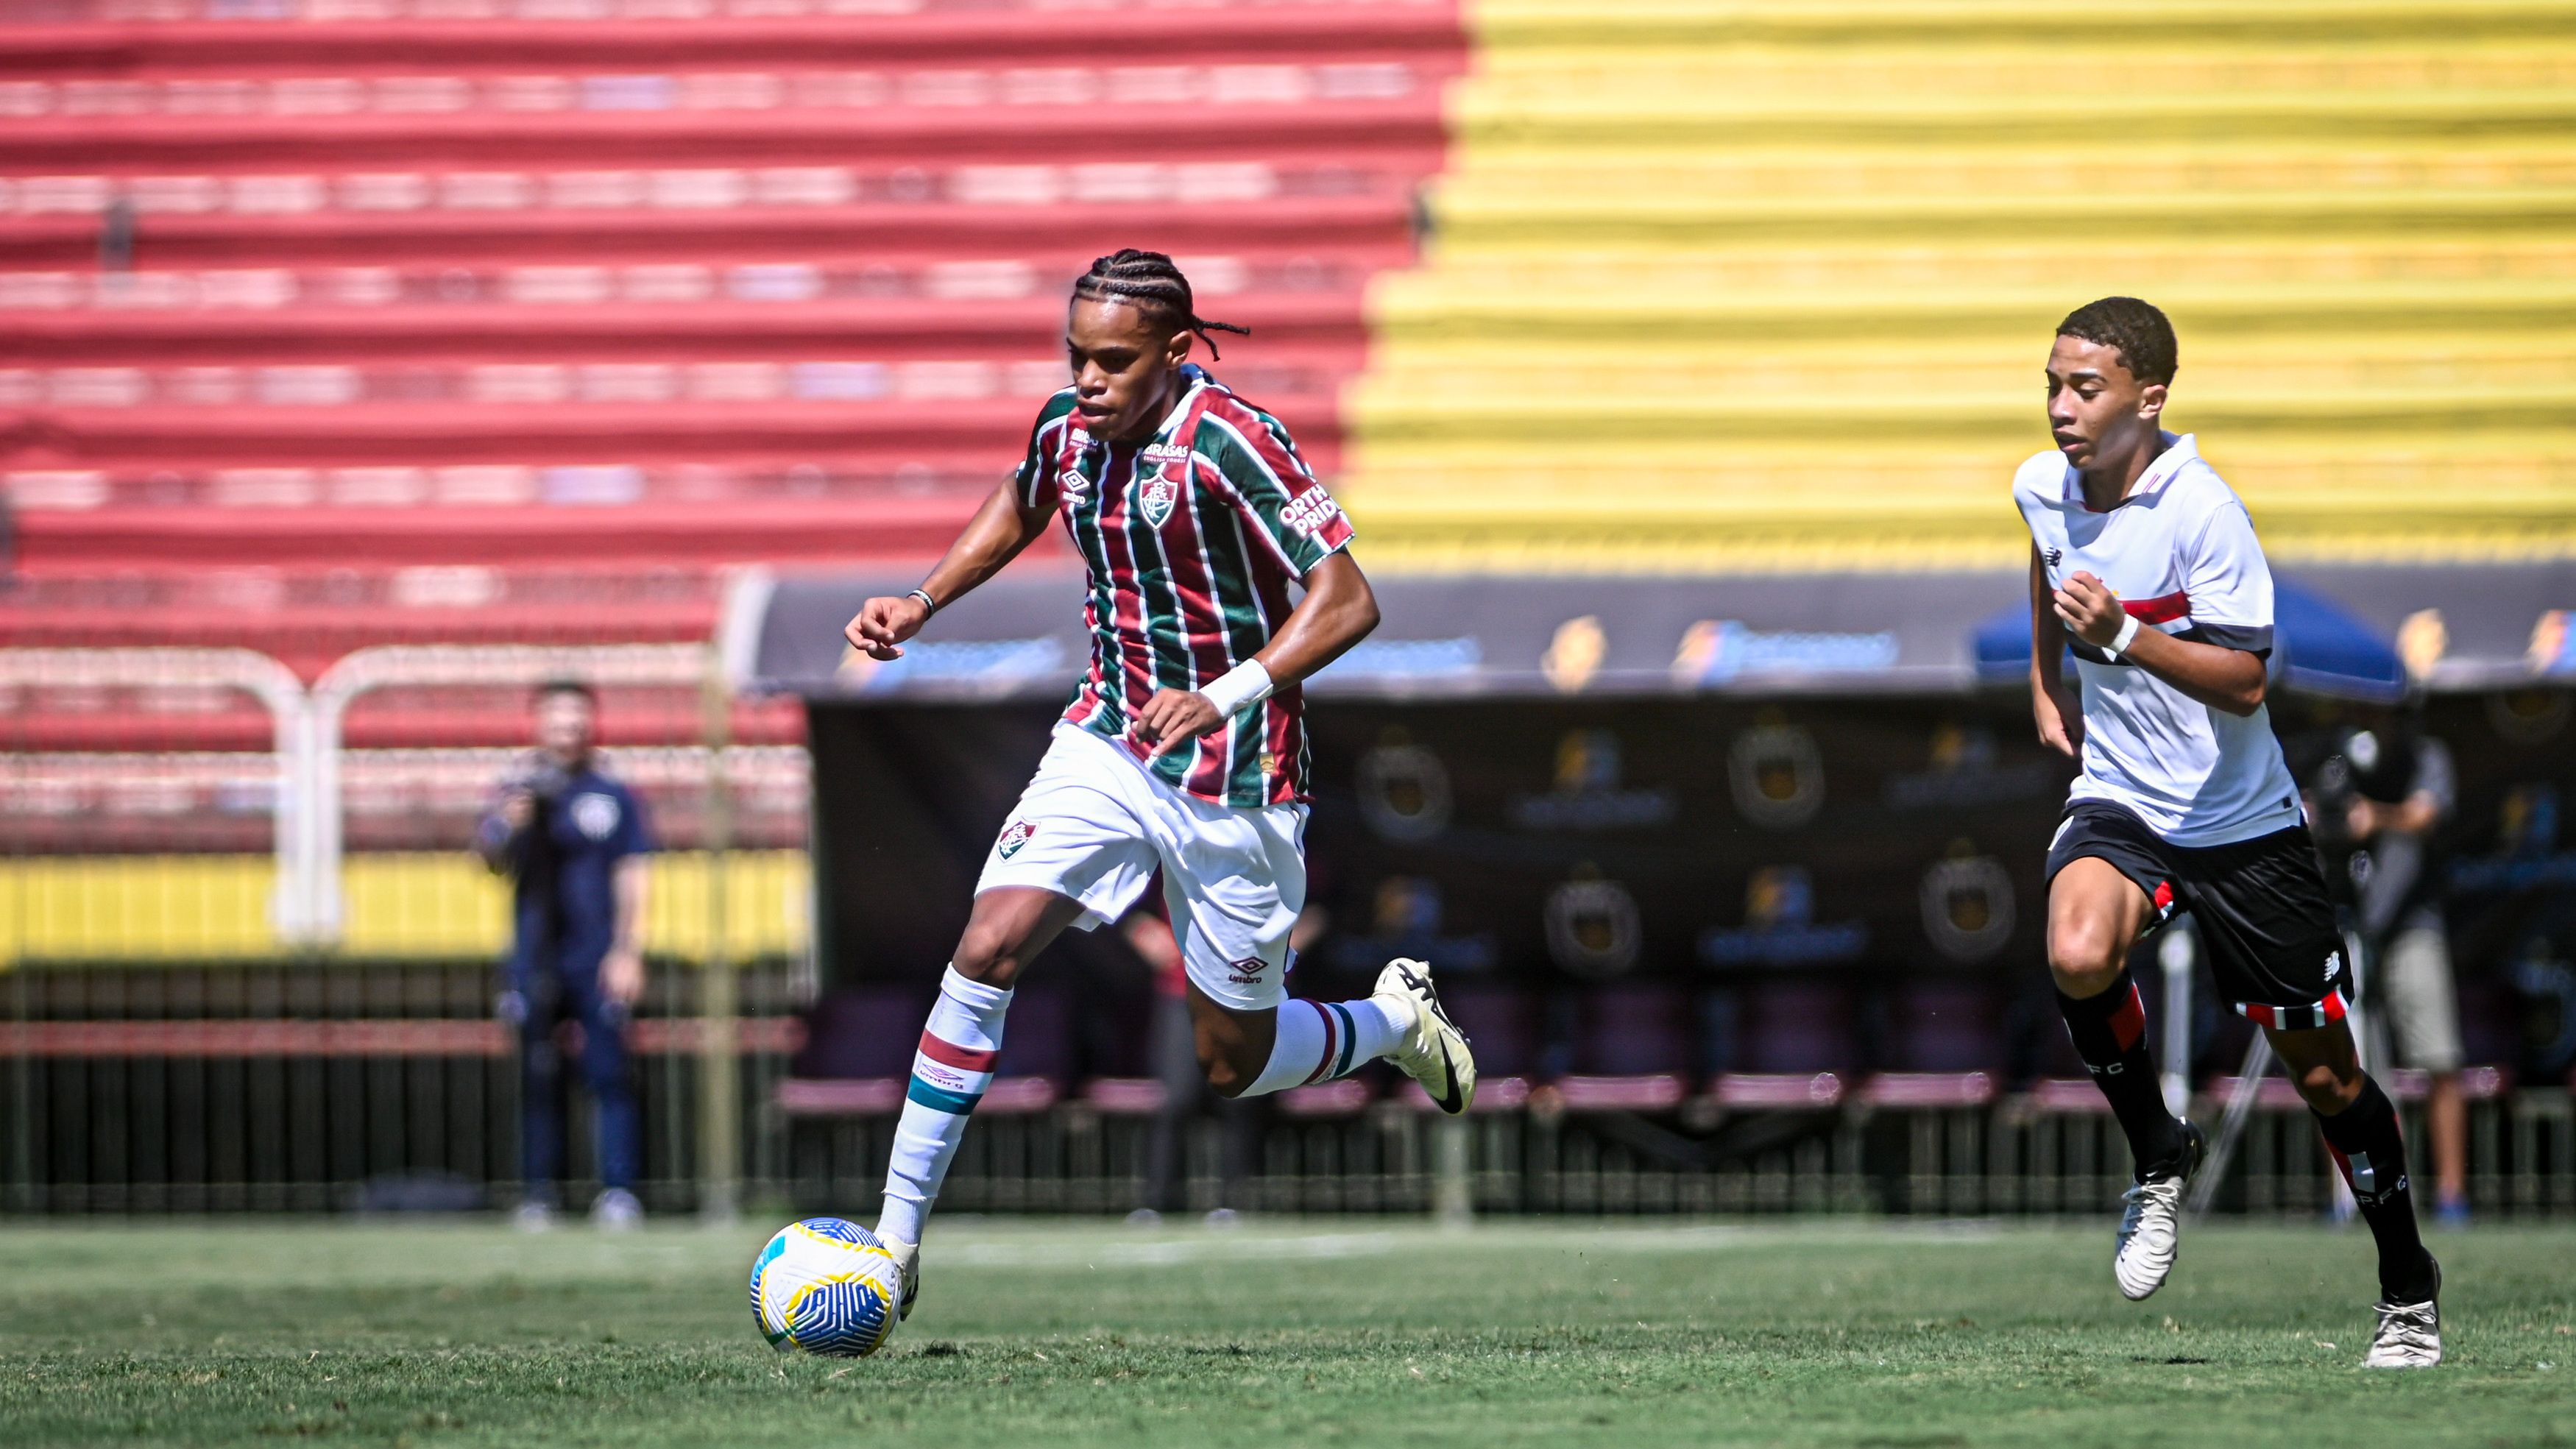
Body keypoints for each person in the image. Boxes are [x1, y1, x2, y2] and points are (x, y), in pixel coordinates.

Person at [842, 249, 1476, 1315]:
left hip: (1235, 772)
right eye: (1077, 357)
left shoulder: (1234, 439)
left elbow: (1350, 601)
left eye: (1114, 362)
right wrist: (924, 598)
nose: (1088, 381)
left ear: (1175, 352)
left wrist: (1221, 695)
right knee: (987, 945)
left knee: (1233, 1059)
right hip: (1108, 738)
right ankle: (892, 1245)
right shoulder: (1070, 428)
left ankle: (1392, 1022)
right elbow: (1024, 492)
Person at [2022, 297, 2440, 1367]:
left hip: (2243, 825)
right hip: (2122, 799)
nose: (2062, 407)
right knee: (2077, 951)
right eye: (2052, 385)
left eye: (2087, 388)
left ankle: (2406, 1285)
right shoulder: (2039, 484)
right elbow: (2044, 556)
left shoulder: (2204, 510)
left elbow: (2249, 680)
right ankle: (2160, 1152)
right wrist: (2044, 679)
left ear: (2149, 399)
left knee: (2329, 1077)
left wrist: (2120, 633)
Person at [473, 679, 654, 1230]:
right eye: (558, 717)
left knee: (609, 1072)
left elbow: (633, 871)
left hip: (596, 955)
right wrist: (510, 826)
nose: (569, 727)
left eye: (578, 717)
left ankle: (619, 1191)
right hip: (535, 956)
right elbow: (488, 860)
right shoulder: (516, 792)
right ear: (538, 723)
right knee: (537, 1075)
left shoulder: (613, 793)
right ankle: (538, 1193)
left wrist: (627, 950)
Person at [2316, 721, 2472, 1227]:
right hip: (2344, 921)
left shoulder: (2425, 753)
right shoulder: (2331, 753)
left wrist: (2375, 817)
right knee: (2340, 1063)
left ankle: (2451, 1196)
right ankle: (2352, 1194)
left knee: (2439, 1057)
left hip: (2412, 923)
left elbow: (2426, 814)